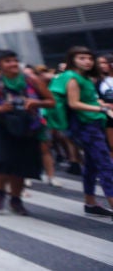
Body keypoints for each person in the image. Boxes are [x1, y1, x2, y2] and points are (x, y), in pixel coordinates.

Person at [0, 50, 54, 216]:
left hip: (27, 125)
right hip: (1, 125)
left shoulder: (32, 80)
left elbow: (51, 102)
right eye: (7, 61)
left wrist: (36, 102)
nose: (12, 64)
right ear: (0, 65)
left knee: (21, 163)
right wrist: (0, 108)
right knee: (3, 160)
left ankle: (16, 199)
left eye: (14, 60)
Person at [60, 46, 113, 218]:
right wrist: (101, 109)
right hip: (85, 126)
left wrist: (100, 104)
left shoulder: (85, 78)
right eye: (82, 58)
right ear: (72, 60)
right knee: (105, 164)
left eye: (89, 58)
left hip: (92, 124)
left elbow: (87, 99)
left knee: (91, 165)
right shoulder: (73, 78)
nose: (87, 61)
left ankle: (90, 203)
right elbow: (73, 103)